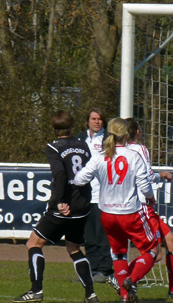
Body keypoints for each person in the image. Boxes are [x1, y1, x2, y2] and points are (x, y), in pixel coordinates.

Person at [13, 110, 99, 303]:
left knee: (33, 243)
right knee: (74, 248)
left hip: (64, 205)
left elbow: (60, 174)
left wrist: (59, 201)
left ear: (53, 129)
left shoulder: (53, 147)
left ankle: (36, 292)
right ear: (70, 127)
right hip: (82, 205)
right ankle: (91, 295)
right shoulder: (83, 145)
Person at [74, 117, 162, 303]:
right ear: (126, 134)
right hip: (129, 213)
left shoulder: (100, 156)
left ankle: (125, 296)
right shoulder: (134, 156)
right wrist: (151, 198)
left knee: (119, 252)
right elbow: (144, 186)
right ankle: (132, 279)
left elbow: (80, 179)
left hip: (107, 214)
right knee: (152, 249)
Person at [121, 117, 173, 299]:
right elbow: (145, 177)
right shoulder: (140, 149)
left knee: (171, 242)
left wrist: (159, 174)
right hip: (142, 206)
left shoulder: (122, 151)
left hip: (130, 205)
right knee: (155, 253)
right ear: (138, 132)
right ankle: (126, 280)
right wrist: (156, 185)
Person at [75, 108, 114, 283]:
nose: (97, 122)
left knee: (103, 235)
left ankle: (105, 270)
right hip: (84, 196)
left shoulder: (108, 140)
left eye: (99, 119)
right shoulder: (79, 138)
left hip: (103, 195)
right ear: (88, 121)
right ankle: (92, 269)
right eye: (93, 119)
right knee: (88, 235)